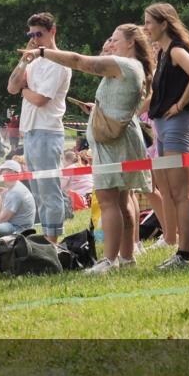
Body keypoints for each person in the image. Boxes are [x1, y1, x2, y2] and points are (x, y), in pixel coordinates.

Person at [22, 24, 152, 274]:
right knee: (122, 201)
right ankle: (126, 257)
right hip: (121, 140)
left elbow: (79, 61)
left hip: (113, 144)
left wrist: (42, 52)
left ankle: (109, 260)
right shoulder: (132, 66)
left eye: (115, 40)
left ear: (131, 43)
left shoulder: (124, 64)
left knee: (108, 201)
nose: (110, 44)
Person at [143, 3, 189, 270]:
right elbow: (156, 97)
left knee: (182, 193)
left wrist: (180, 105)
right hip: (163, 127)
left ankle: (185, 255)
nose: (146, 27)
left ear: (164, 24)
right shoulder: (163, 54)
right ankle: (180, 252)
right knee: (171, 191)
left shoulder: (177, 51)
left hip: (177, 127)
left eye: (149, 22)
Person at [7, 12, 72, 243]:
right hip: (31, 130)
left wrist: (25, 90)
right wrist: (24, 60)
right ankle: (47, 239)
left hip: (48, 131)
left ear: (52, 31)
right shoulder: (33, 62)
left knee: (49, 190)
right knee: (38, 191)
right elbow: (12, 87)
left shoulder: (60, 62)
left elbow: (40, 99)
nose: (35, 39)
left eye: (39, 34)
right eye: (31, 35)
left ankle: (53, 242)